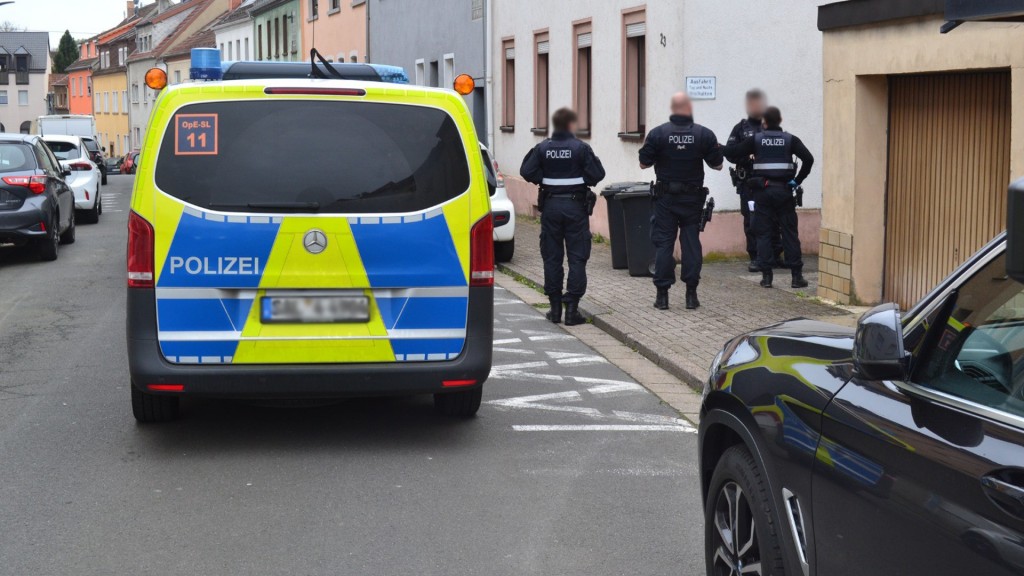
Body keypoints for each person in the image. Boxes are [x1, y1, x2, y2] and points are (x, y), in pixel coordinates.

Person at [520, 107, 606, 326]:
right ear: (570, 126)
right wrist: (580, 179)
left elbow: (526, 171)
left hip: (550, 207)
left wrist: (545, 179)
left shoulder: (542, 148)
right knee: (577, 257)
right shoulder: (581, 148)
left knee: (552, 257)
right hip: (575, 208)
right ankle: (572, 311)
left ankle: (555, 309)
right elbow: (598, 174)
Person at [639, 92, 723, 311]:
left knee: (664, 244)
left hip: (666, 199)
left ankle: (662, 296)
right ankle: (691, 295)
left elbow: (643, 164)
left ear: (673, 109)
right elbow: (718, 165)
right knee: (691, 243)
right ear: (689, 109)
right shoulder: (704, 134)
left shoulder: (658, 134)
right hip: (692, 199)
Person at [725, 106, 814, 289]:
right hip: (784, 192)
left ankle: (767, 277)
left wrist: (717, 147)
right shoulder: (790, 139)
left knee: (763, 233)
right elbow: (809, 159)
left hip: (762, 193)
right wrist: (796, 181)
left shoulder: (756, 140)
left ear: (764, 123)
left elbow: (733, 153)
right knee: (789, 233)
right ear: (779, 121)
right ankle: (796, 277)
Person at [725, 89, 782, 272]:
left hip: (771, 182)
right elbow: (730, 154)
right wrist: (746, 156)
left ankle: (775, 255)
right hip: (749, 183)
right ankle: (756, 257)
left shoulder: (770, 128)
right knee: (752, 220)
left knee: (774, 219)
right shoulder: (740, 129)